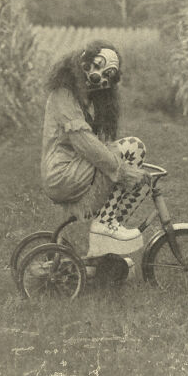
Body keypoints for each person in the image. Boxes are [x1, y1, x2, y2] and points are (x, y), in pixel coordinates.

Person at [40, 40, 151, 257]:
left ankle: (103, 243)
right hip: (62, 174)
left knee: (132, 164)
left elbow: (95, 145)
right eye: (96, 65)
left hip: (73, 169)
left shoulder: (82, 98)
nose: (98, 75)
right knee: (133, 148)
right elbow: (85, 142)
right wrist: (120, 169)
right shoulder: (64, 94)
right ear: (82, 62)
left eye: (107, 74)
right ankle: (105, 224)